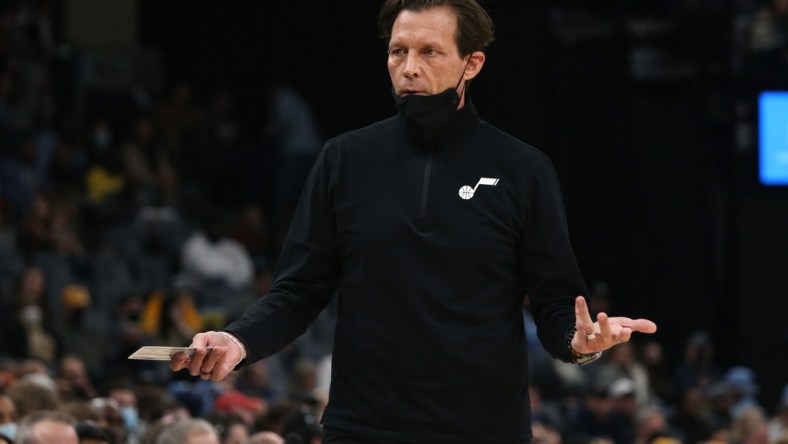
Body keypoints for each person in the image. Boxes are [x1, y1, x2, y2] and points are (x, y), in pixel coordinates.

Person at [170, 1, 658, 443]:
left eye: (430, 52)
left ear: (473, 63)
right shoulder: (345, 159)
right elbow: (298, 290)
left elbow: (556, 306)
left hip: (484, 431)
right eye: (397, 52)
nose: (409, 69)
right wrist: (238, 339)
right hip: (362, 428)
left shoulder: (522, 169)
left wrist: (582, 345)